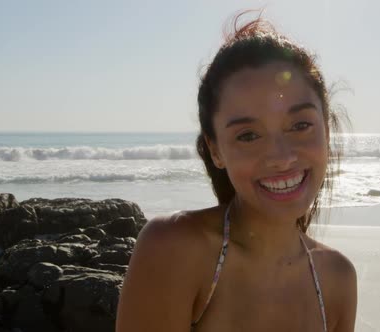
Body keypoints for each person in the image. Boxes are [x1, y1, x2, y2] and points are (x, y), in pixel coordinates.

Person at [116, 11, 357, 332]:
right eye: (248, 135)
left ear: (326, 131)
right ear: (215, 149)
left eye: (300, 125)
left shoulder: (337, 279)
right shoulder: (174, 248)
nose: (282, 157)